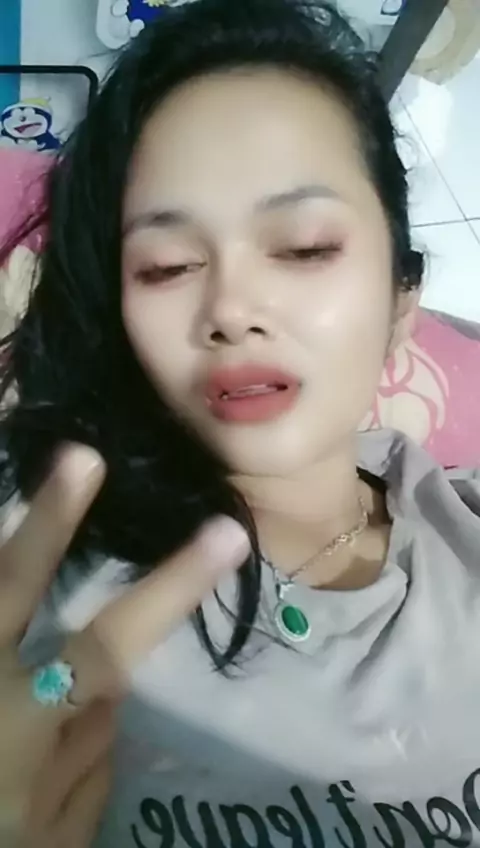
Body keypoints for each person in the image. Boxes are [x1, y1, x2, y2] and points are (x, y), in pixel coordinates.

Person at [0, 0, 479, 845]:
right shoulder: (35, 549)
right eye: (167, 265)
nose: (229, 309)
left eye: (303, 247)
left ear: (403, 300)